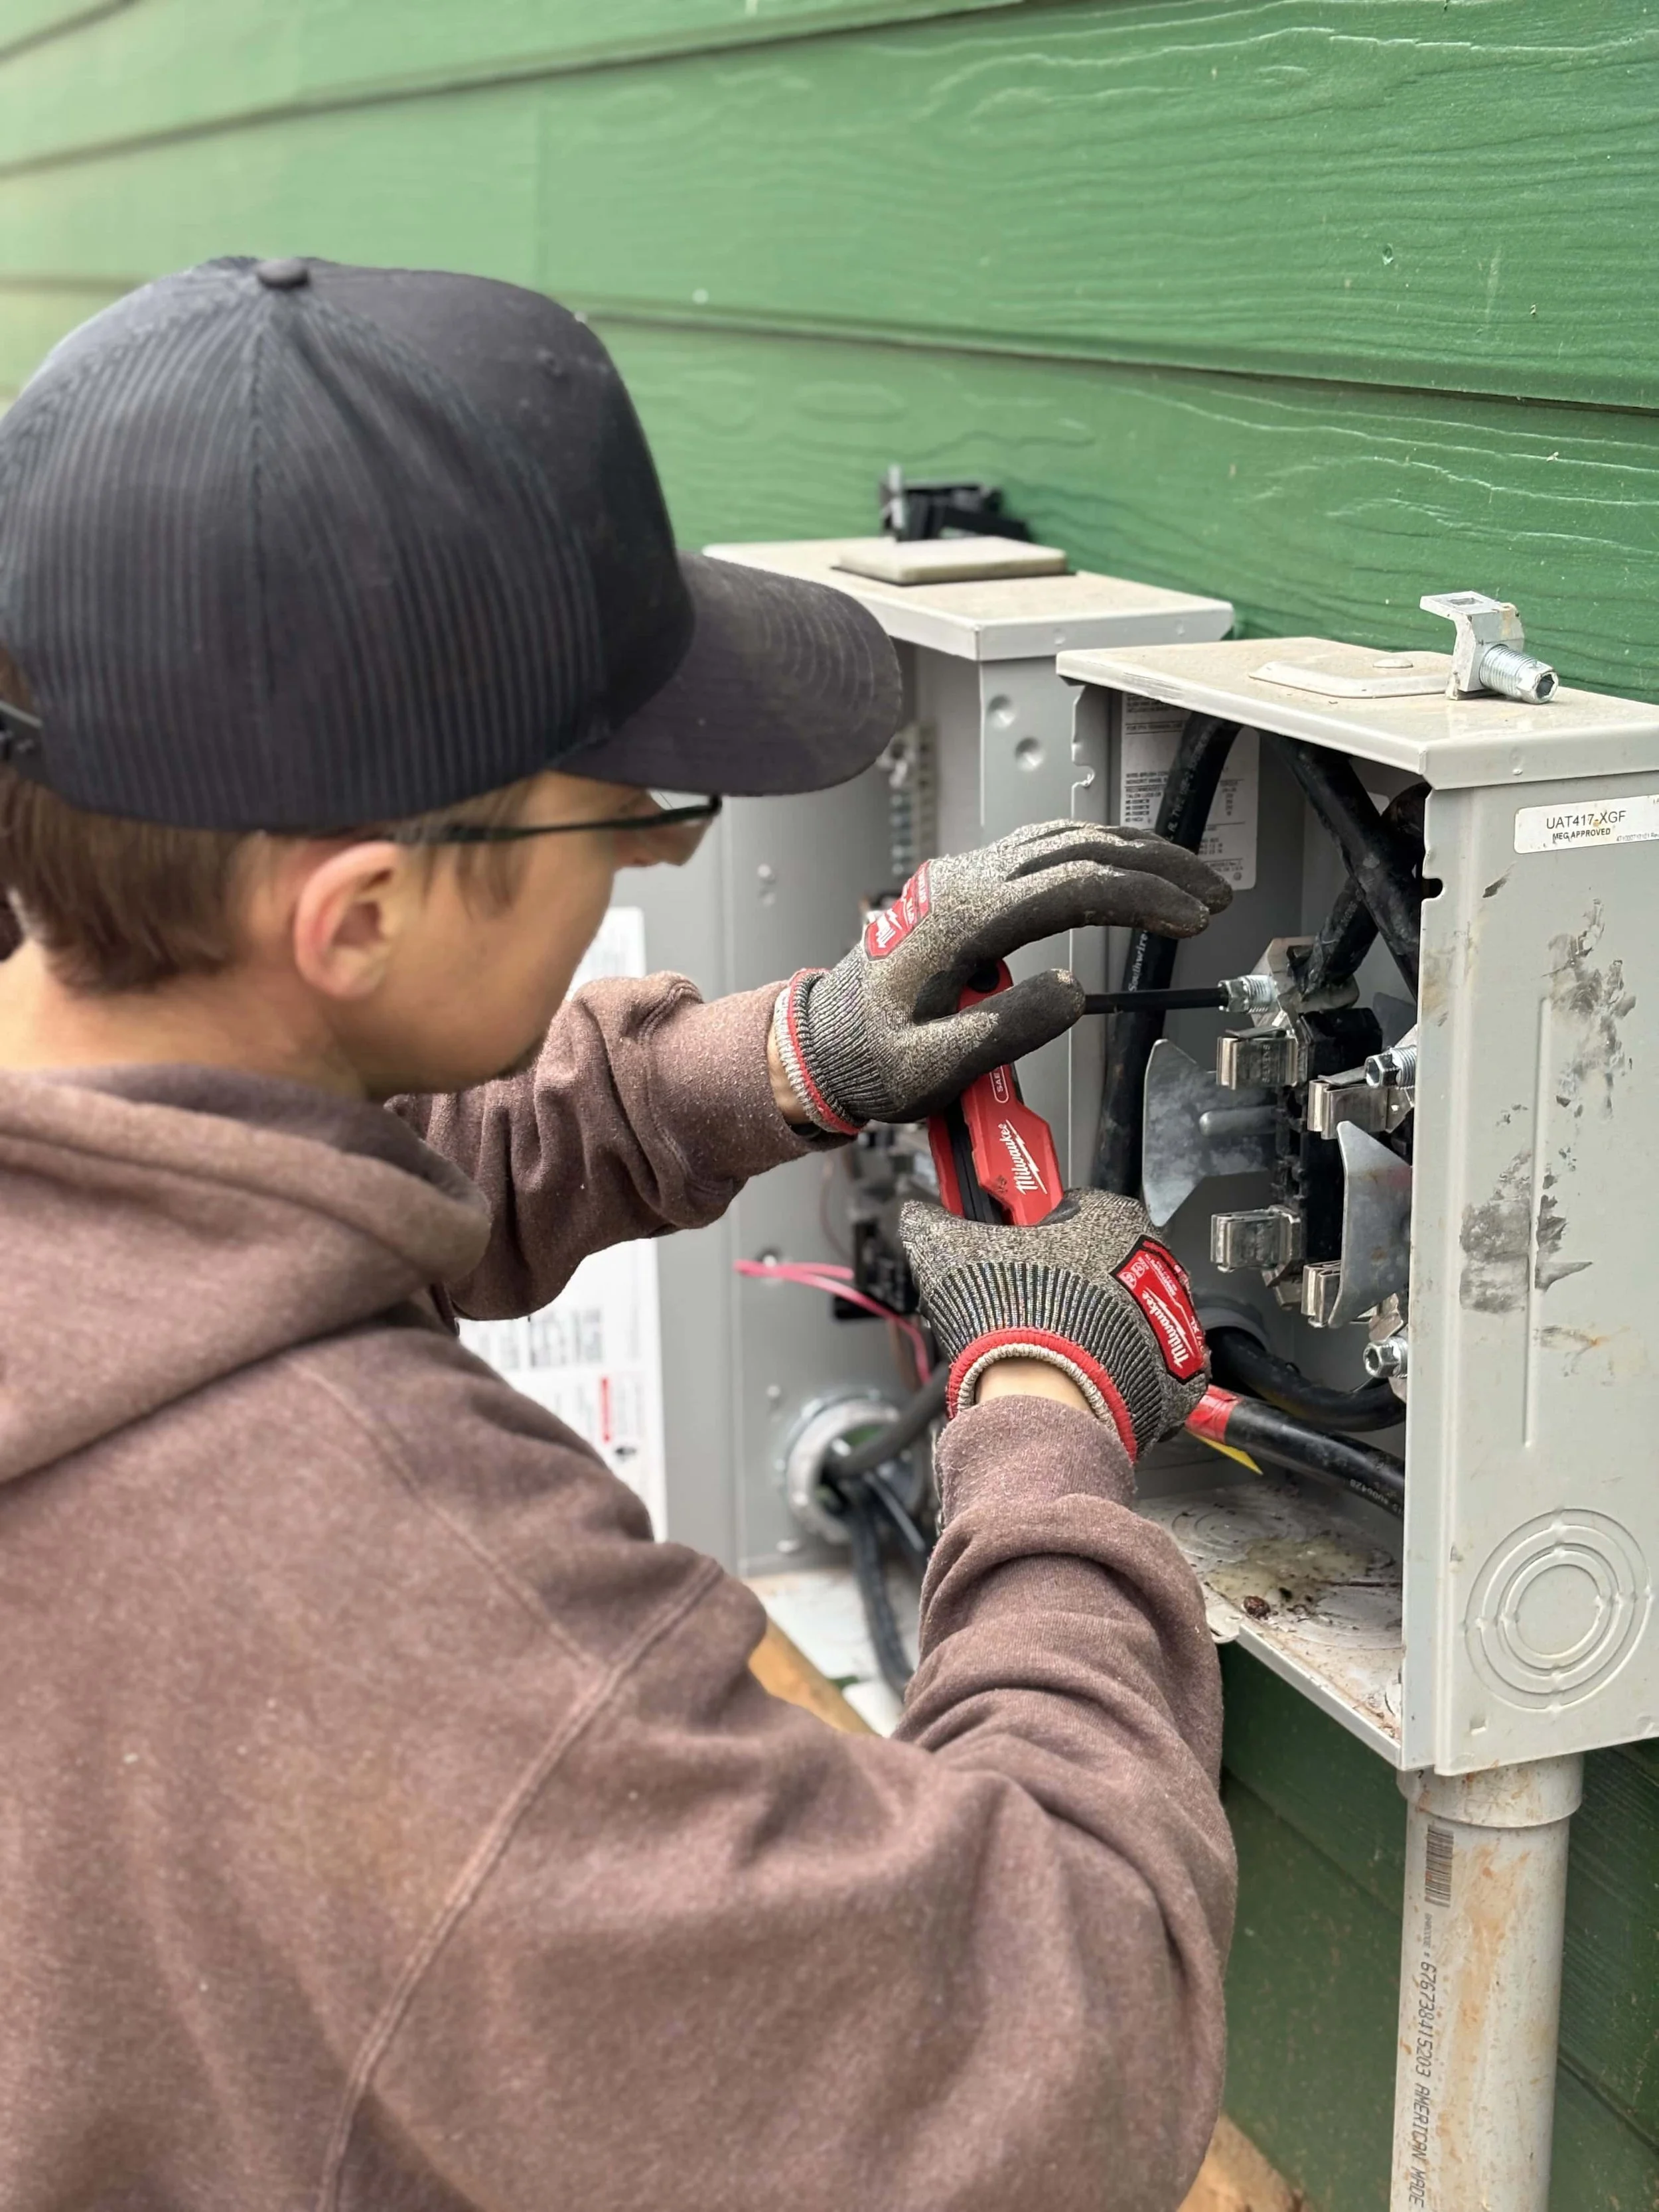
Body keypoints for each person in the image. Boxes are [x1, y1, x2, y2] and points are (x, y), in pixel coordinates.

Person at [0, 257, 1237, 2211]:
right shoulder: (381, 1580)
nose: (659, 861)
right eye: (630, 824)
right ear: (360, 915)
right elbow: (1047, 2046)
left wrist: (780, 1058)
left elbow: (253, 1179)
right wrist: (1040, 1412)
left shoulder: (69, 1056)